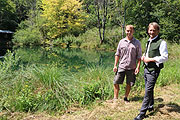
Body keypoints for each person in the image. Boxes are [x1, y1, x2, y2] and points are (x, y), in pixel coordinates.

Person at [134, 22, 168, 120]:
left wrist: (151, 59)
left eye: (154, 30)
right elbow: (148, 51)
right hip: (146, 68)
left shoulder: (162, 42)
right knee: (149, 89)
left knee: (147, 91)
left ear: (158, 31)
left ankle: (142, 113)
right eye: (150, 30)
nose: (151, 32)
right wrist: (144, 56)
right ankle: (151, 105)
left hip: (154, 70)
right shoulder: (148, 41)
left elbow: (165, 57)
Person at [113, 25, 142, 103]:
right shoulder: (121, 42)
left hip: (131, 67)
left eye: (131, 31)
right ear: (125, 31)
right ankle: (115, 98)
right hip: (121, 66)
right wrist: (115, 65)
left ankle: (126, 98)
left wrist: (138, 67)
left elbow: (139, 57)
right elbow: (117, 54)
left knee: (129, 83)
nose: (129, 32)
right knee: (116, 82)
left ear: (133, 31)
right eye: (127, 30)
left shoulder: (137, 43)